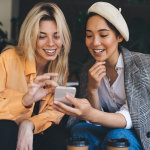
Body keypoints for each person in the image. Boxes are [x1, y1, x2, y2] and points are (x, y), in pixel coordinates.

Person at [53, 2, 150, 150]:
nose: (95, 42)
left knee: (117, 137)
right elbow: (96, 121)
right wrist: (92, 89)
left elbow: (132, 117)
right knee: (79, 132)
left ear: (119, 36)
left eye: (103, 35)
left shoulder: (143, 65)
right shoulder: (87, 70)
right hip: (106, 129)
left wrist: (91, 114)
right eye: (89, 35)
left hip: (137, 132)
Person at [0, 2, 71, 150]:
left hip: (37, 134)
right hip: (7, 136)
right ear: (30, 37)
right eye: (42, 36)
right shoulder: (6, 59)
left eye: (56, 36)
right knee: (5, 128)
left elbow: (56, 112)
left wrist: (30, 123)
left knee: (60, 136)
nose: (51, 43)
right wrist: (24, 101)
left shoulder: (61, 68)